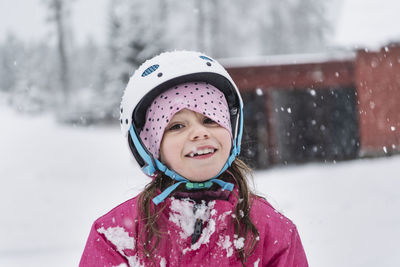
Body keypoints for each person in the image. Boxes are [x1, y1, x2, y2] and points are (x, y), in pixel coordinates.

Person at [80, 51, 308, 267]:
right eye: (177, 126)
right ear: (150, 148)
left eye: (210, 119)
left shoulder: (272, 229)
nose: (200, 133)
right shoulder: (117, 235)